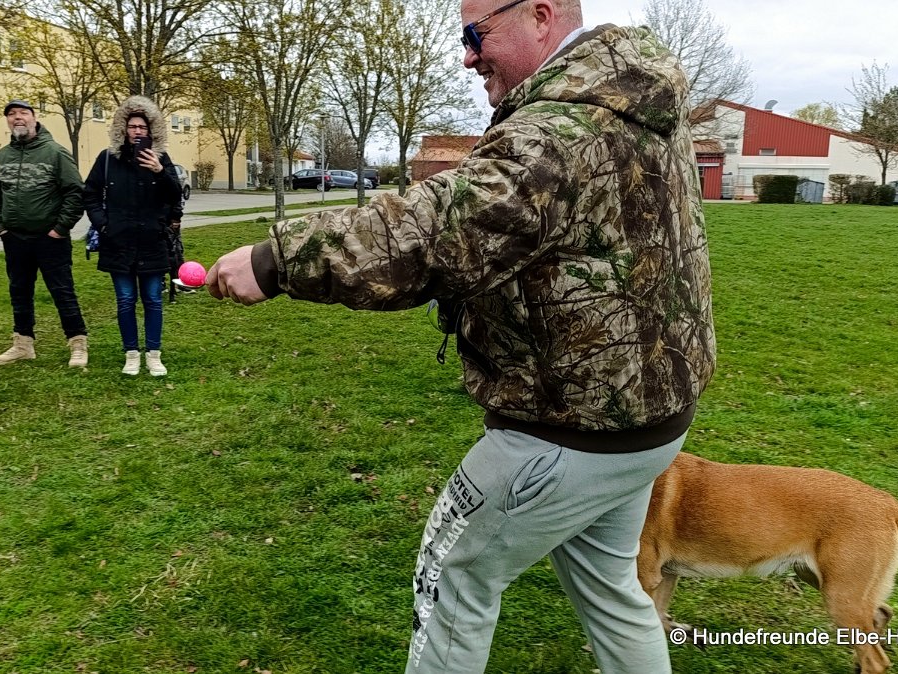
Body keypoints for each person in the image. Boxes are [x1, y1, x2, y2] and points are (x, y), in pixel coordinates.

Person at [205, 0, 716, 671]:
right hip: (649, 420)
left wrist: (276, 262)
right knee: (613, 593)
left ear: (539, 15)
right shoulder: (628, 94)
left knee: (454, 578)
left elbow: (436, 232)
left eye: (478, 36)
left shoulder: (561, 128)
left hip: (568, 428)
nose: (468, 55)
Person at [82, 96, 182, 376]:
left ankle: (153, 353)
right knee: (125, 300)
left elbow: (176, 195)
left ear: (152, 132)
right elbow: (89, 194)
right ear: (123, 130)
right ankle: (131, 353)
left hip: (152, 241)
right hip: (119, 243)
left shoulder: (161, 159)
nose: (138, 131)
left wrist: (160, 172)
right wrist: (104, 225)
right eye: (132, 126)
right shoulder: (107, 159)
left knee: (152, 299)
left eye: (143, 127)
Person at [0, 99, 89, 368]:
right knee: (19, 291)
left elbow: (75, 193)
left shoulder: (55, 152)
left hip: (50, 239)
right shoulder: (3, 156)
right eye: (11, 114)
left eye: (23, 113)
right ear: (7, 121)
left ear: (34, 118)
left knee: (62, 291)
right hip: (15, 238)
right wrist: (0, 226)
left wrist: (60, 229)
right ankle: (23, 345)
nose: (17, 118)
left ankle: (78, 344)